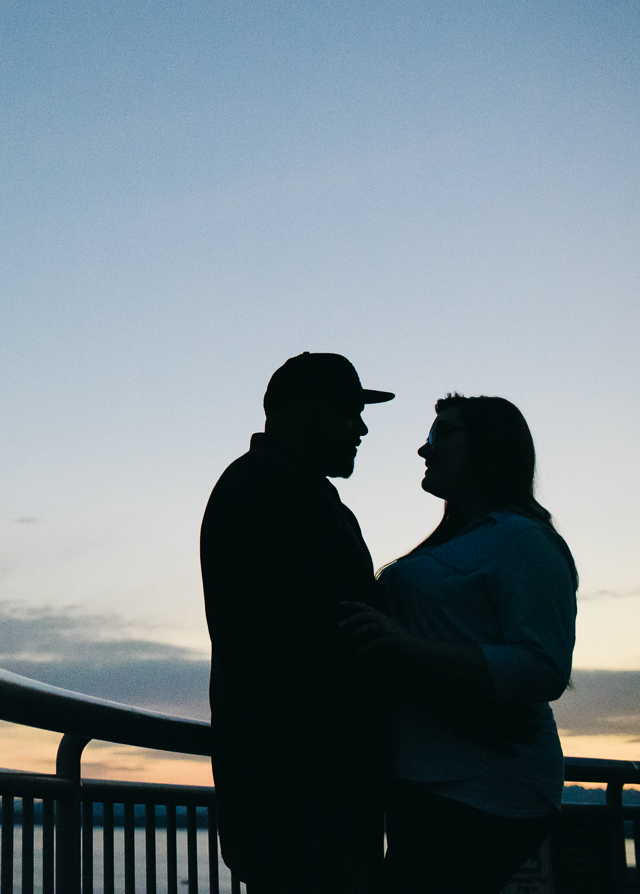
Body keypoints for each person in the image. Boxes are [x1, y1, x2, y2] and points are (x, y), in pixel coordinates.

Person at [340, 395, 577, 894]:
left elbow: (543, 667)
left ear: (488, 447)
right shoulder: (455, 542)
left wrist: (405, 645)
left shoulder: (522, 539)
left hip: (487, 784)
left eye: (442, 434)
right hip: (428, 778)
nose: (424, 450)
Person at [201, 352, 394, 893]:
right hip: (301, 795)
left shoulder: (293, 490)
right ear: (298, 411)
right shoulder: (268, 489)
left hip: (305, 790)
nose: (361, 427)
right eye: (348, 411)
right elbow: (324, 633)